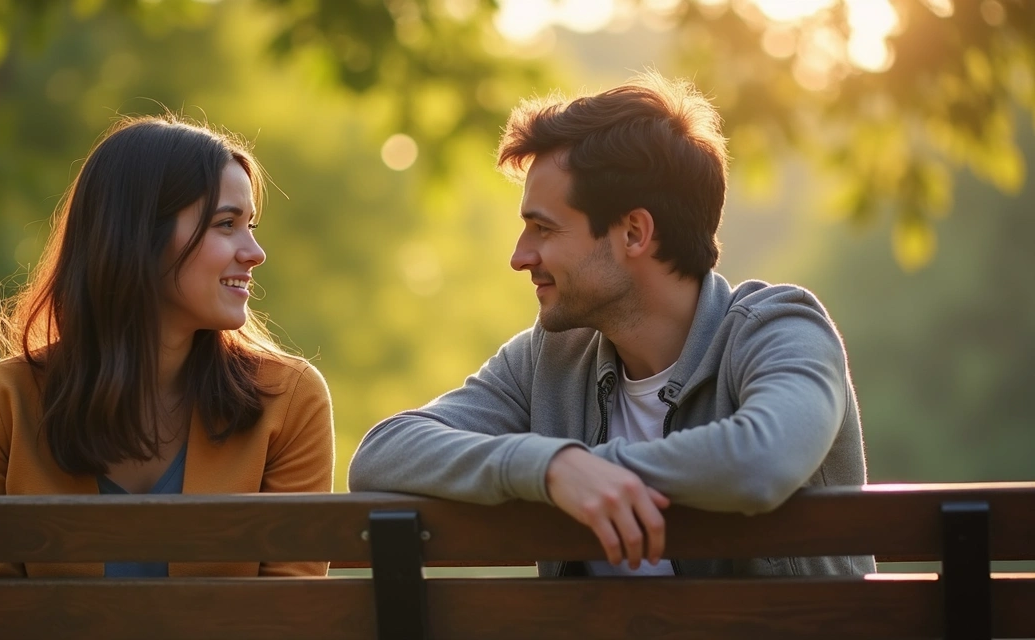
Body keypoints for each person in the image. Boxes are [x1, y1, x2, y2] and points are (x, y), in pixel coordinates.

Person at [348, 71, 873, 578]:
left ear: (634, 233)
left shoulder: (780, 330)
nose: (519, 256)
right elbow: (383, 454)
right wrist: (553, 468)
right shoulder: (551, 356)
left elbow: (764, 461)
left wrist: (597, 469)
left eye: (542, 228)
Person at [0, 115, 335, 578]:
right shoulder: (0, 404)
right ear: (139, 237)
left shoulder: (288, 401)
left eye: (250, 224)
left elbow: (290, 613)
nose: (255, 251)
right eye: (227, 224)